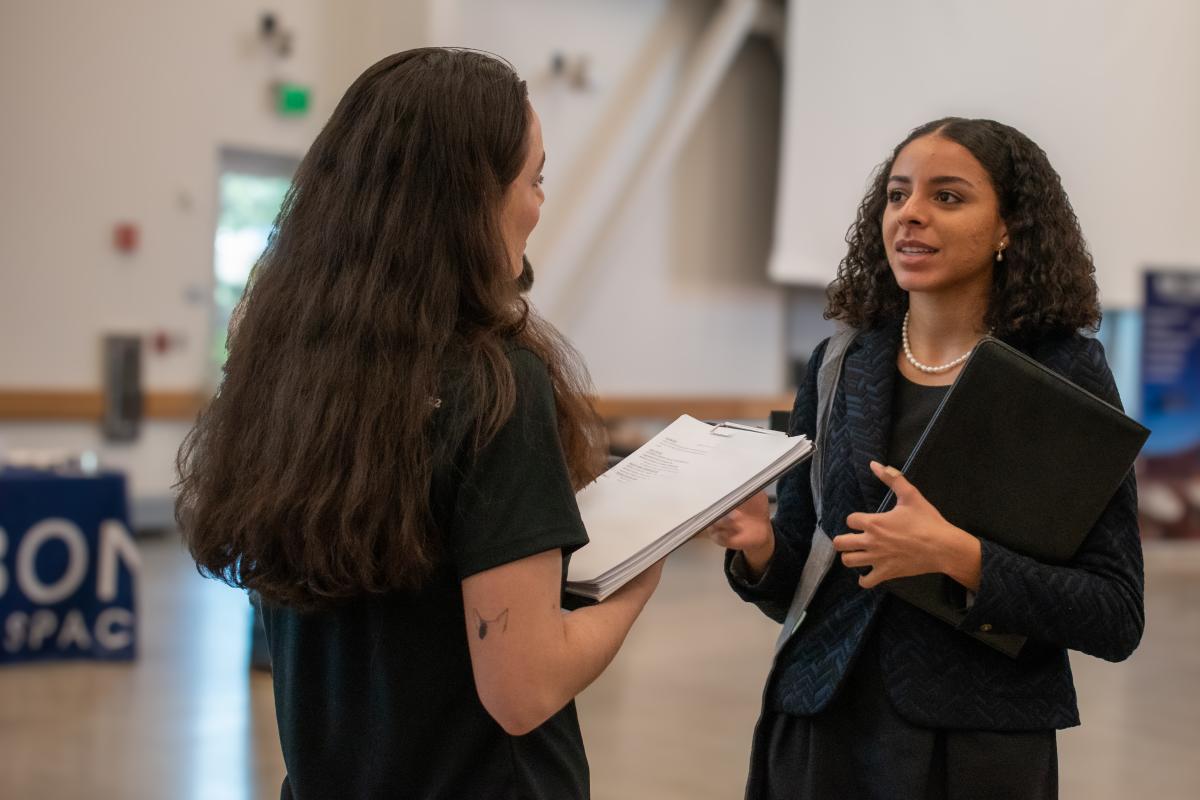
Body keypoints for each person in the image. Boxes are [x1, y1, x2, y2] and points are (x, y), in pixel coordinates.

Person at [175, 48, 664, 800]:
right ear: (471, 198)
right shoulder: (496, 388)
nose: (539, 204)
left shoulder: (280, 370)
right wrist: (637, 581)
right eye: (532, 179)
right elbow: (523, 687)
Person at [709, 117, 1143, 799]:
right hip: (821, 720)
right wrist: (759, 547)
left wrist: (957, 555)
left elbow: (1115, 613)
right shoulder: (839, 362)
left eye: (947, 197)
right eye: (897, 194)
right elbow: (803, 577)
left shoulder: (1063, 374)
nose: (909, 214)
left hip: (975, 746)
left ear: (1010, 228)